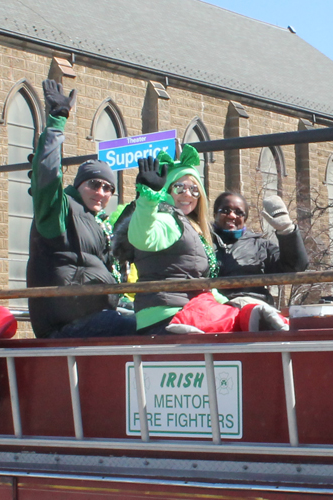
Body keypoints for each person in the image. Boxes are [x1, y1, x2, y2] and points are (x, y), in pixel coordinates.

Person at [26, 80, 136, 338]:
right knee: (147, 329)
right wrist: (56, 122)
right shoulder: (61, 212)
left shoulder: (99, 224)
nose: (101, 192)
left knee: (156, 317)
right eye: (94, 184)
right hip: (64, 326)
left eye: (108, 188)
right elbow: (46, 177)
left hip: (96, 314)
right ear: (79, 185)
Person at [127, 147, 223, 335]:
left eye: (194, 189)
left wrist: (227, 303)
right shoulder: (167, 217)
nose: (188, 194)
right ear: (167, 189)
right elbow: (144, 238)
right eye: (180, 187)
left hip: (189, 310)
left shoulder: (192, 226)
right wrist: (148, 198)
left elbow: (200, 280)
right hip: (166, 317)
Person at [212, 192, 309, 306]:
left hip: (251, 305)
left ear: (245, 218)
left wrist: (286, 230)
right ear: (215, 214)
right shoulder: (201, 242)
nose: (232, 216)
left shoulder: (259, 245)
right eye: (225, 210)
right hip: (212, 307)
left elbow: (295, 266)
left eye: (239, 213)